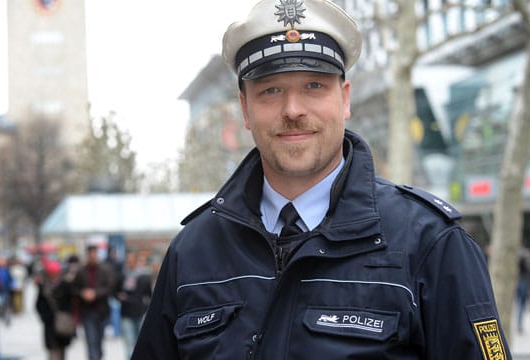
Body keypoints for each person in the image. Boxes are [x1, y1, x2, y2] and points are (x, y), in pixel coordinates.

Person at [132, 0, 511, 358]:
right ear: (245, 109)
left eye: (314, 86)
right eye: (271, 90)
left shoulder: (430, 243)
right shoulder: (192, 252)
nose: (293, 110)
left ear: (344, 99)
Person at [73, 245, 115, 360]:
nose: (92, 256)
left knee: (99, 341)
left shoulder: (105, 269)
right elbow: (74, 288)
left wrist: (95, 293)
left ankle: (98, 356)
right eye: (90, 254)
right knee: (91, 341)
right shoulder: (81, 271)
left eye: (94, 254)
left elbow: (110, 286)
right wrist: (83, 293)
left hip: (102, 311)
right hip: (87, 311)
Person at [35, 260, 75, 360]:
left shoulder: (66, 286)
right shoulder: (44, 287)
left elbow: (72, 303)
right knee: (53, 351)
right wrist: (45, 317)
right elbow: (38, 304)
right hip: (50, 324)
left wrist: (67, 315)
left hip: (63, 323)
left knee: (62, 350)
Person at [116, 252, 152, 359]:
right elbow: (115, 291)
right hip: (126, 312)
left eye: (131, 260)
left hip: (139, 312)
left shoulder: (144, 277)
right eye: (128, 260)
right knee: (129, 341)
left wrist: (145, 308)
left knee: (139, 341)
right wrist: (120, 297)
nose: (129, 262)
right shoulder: (122, 276)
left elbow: (149, 295)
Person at [518, 246, 530, 333]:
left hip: (525, 284)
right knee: (521, 305)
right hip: (523, 284)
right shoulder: (523, 261)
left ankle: (520, 325)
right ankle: (519, 326)